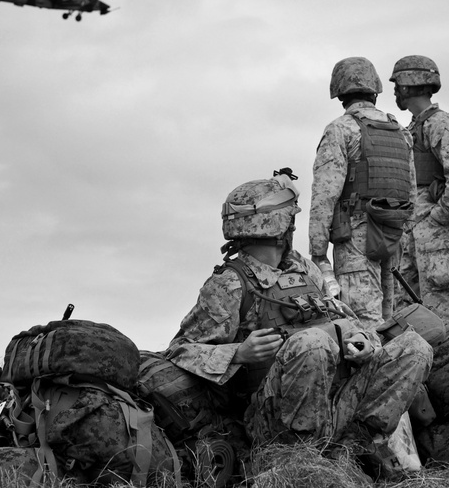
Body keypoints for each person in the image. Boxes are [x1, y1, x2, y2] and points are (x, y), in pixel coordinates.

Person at [165, 171, 432, 468]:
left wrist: (363, 340)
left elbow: (343, 316)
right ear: (282, 227)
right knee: (312, 342)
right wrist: (239, 353)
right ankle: (300, 459)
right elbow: (180, 350)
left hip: (337, 400)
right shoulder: (229, 284)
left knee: (414, 347)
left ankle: (356, 445)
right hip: (275, 419)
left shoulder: (304, 269)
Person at [309, 57, 416, 324]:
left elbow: (325, 194)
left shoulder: (340, 129)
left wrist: (318, 252)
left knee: (361, 324)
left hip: (356, 236)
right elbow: (411, 192)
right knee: (387, 320)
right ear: (375, 90)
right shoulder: (401, 132)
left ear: (340, 93)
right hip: (393, 234)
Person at [389, 55, 449, 322]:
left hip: (433, 230)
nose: (394, 91)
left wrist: (439, 216)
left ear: (406, 86)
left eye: (397, 85)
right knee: (408, 304)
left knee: (441, 303)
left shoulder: (440, 123)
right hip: (412, 229)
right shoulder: (414, 127)